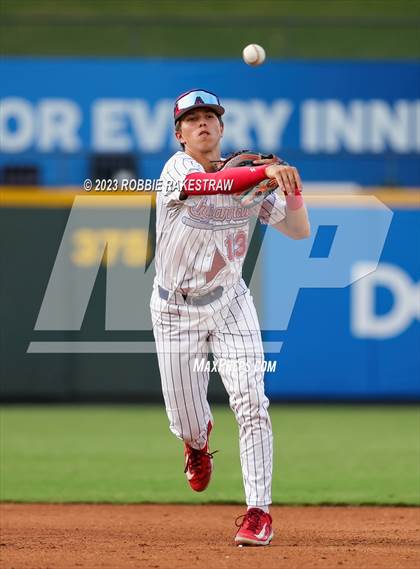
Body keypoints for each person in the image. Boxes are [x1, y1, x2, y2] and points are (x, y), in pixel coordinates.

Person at [150, 89, 310, 546]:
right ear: (179, 134)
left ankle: (258, 512)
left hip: (230, 303)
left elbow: (299, 232)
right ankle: (197, 444)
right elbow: (206, 186)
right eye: (192, 119)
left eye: (210, 117)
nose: (202, 123)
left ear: (221, 128)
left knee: (252, 402)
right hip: (173, 308)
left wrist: (290, 188)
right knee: (184, 418)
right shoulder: (176, 170)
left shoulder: (249, 180)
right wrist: (263, 172)